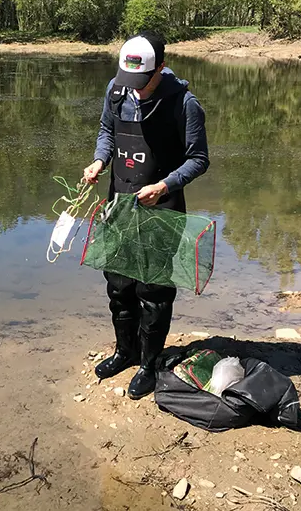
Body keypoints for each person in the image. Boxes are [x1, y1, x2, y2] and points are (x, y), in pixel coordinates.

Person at [83, 32, 210, 399]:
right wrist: (99, 160)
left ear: (162, 68)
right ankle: (126, 352)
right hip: (119, 202)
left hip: (162, 207)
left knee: (153, 290)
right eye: (129, 81)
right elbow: (107, 131)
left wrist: (165, 186)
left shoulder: (185, 104)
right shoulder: (116, 90)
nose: (135, 89)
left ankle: (150, 365)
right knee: (119, 286)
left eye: (143, 82)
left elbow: (198, 160)